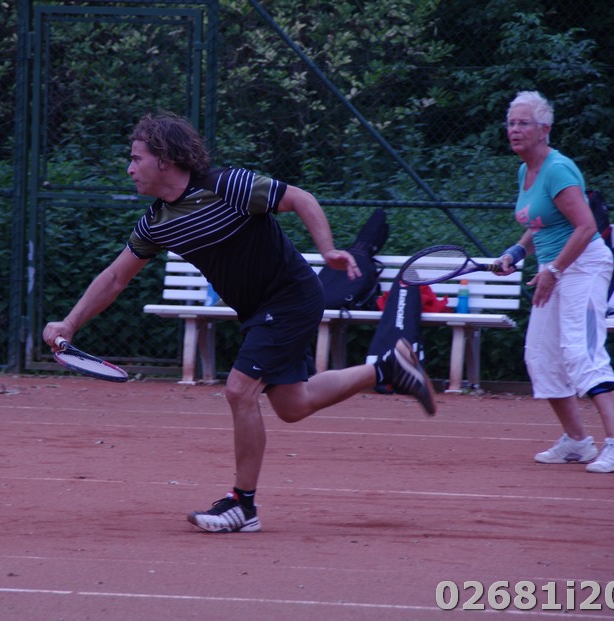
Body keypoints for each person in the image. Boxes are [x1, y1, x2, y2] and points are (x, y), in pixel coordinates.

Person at [43, 111, 436, 533]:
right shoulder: (157, 223)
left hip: (290, 296)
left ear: (165, 159)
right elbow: (115, 278)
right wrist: (70, 324)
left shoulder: (227, 186)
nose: (129, 168)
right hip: (257, 311)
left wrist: (327, 251)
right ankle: (387, 369)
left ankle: (242, 505)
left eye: (136, 158)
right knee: (293, 405)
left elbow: (300, 198)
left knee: (239, 389)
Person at [495, 91, 614, 474]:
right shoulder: (525, 171)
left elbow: (586, 226)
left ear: (545, 129)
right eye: (511, 123)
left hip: (584, 266)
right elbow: (539, 224)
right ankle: (577, 442)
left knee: (582, 351)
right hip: (554, 267)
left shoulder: (558, 169)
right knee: (540, 355)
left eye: (523, 123)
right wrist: (516, 252)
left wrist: (555, 270)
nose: (514, 129)